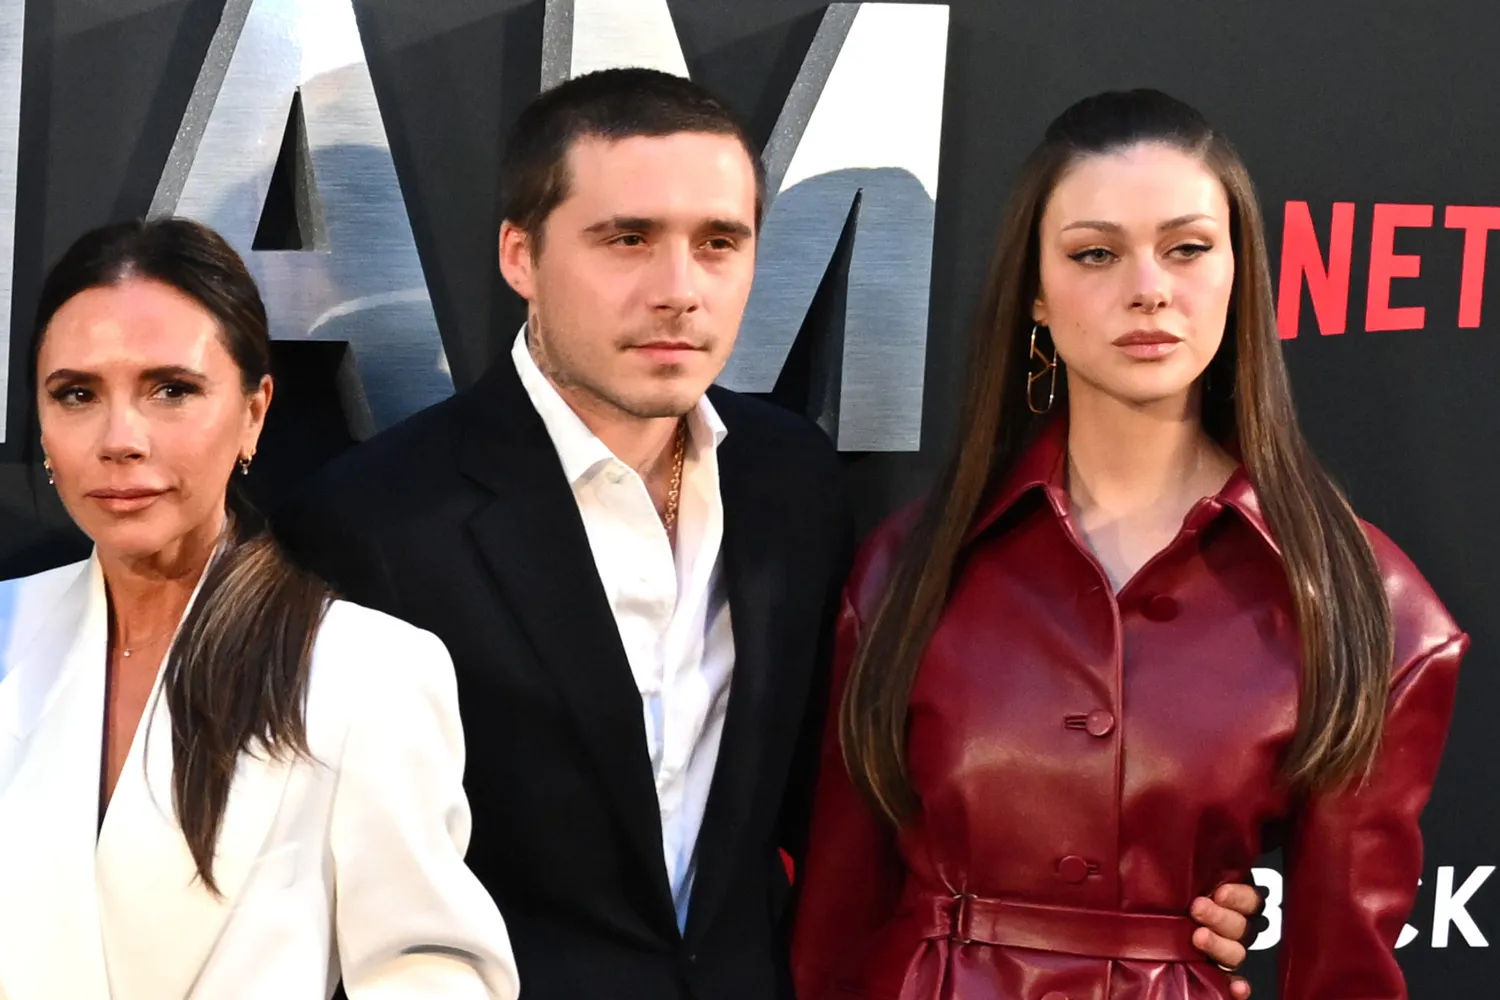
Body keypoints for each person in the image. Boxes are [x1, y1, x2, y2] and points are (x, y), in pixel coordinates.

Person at [273, 70, 1260, 1000]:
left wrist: (1150, 905)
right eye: (627, 239)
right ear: (520, 256)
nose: (679, 288)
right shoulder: (372, 523)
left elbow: (849, 805)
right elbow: (318, 883)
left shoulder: (788, 480)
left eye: (719, 242)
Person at [790, 88, 1468, 1000]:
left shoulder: (1370, 604)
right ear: (1035, 292)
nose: (1148, 288)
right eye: (1096, 253)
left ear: (1240, 274)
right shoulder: (905, 569)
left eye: (1187, 248)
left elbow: (1345, 970)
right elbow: (833, 924)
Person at [0, 219, 519, 1000]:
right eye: (77, 394)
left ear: (253, 411)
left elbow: (434, 973)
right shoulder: (7, 631)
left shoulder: (363, 673)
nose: (119, 439)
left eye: (171, 390)